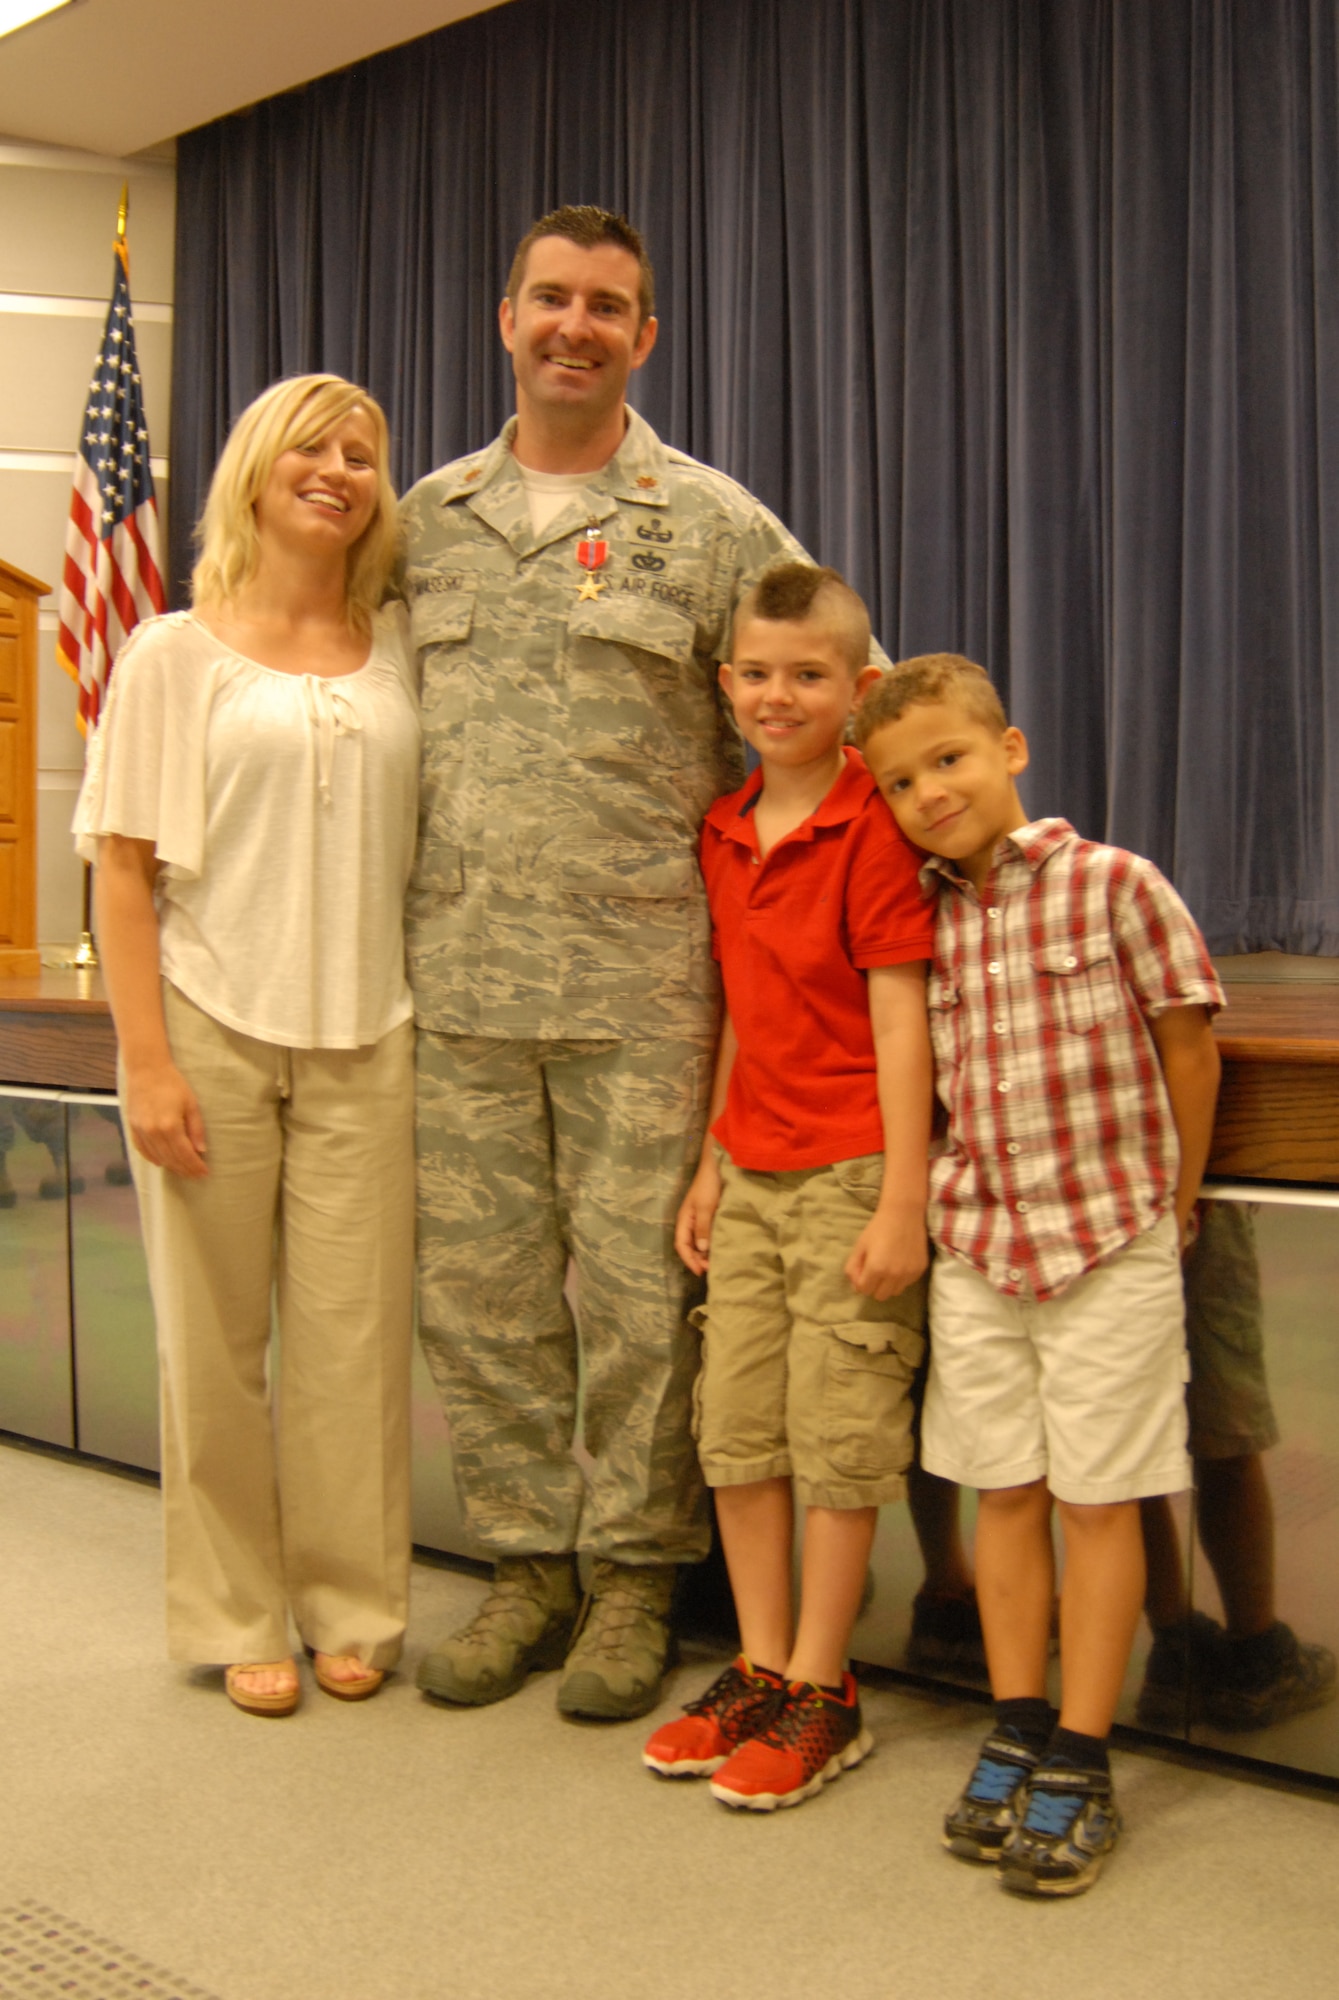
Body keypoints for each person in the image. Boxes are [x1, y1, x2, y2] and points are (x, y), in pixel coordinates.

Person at [397, 206, 821, 1723]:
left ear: (645, 338)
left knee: (645, 1301)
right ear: (503, 317)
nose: (573, 326)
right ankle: (525, 1565)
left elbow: (823, 721)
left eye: (607, 307)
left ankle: (639, 1576)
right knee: (482, 1297)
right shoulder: (420, 521)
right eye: (549, 299)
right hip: (453, 990)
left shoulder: (712, 527)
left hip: (645, 994)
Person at [74, 374, 419, 1718]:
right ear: (258, 470)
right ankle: (233, 1610)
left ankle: (350, 1602)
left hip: (367, 1040)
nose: (337, 469)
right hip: (210, 1031)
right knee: (210, 1350)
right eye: (313, 448)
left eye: (362, 453)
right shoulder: (173, 651)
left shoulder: (400, 647)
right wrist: (146, 1063)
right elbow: (121, 872)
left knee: (351, 1349)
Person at [856, 653, 1223, 1897]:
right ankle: (1014, 1720)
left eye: (948, 759)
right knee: (1001, 1486)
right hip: (979, 1245)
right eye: (900, 779)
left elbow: (1187, 1045)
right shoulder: (916, 916)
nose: (928, 791)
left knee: (1097, 1497)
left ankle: (1083, 1746)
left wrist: (1173, 1201)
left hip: (1103, 1239)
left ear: (1009, 749)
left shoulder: (1115, 884)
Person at [639, 563, 935, 1808]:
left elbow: (902, 1016)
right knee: (739, 1429)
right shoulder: (721, 827)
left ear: (857, 690)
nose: (779, 693)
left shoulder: (874, 826)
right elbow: (736, 1019)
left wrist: (903, 1197)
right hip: (750, 1165)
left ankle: (824, 1683)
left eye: (808, 674)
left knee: (837, 1435)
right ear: (726, 684)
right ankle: (759, 1663)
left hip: (853, 1168)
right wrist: (712, 1159)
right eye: (756, 673)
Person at [1138, 1199, 1337, 1730]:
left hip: (1097, 1216)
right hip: (1190, 1205)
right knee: (1225, 1425)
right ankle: (1258, 1655)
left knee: (1127, 1448)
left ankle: (1175, 1647)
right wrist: (1181, 1214)